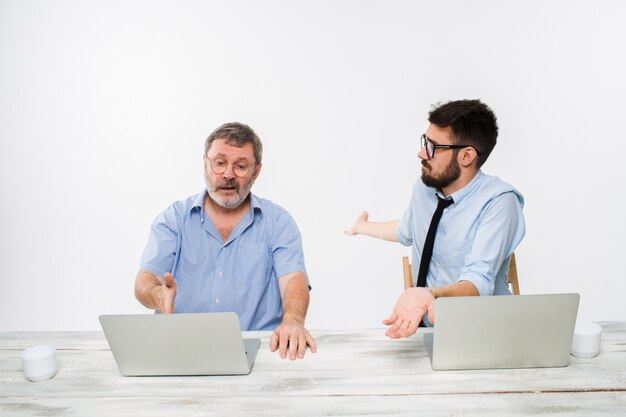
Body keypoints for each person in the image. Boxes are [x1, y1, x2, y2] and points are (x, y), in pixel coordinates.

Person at [135, 122, 316, 360]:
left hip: (259, 354)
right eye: (219, 163)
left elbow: (293, 278)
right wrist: (159, 296)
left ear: (256, 171)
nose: (228, 175)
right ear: (205, 163)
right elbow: (145, 280)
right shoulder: (174, 219)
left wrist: (293, 320)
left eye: (240, 166)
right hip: (180, 352)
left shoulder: (278, 222)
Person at [345, 99, 525, 339]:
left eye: (433, 147)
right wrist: (363, 227)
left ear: (466, 156)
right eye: (424, 142)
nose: (421, 153)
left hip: (484, 333)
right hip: (427, 332)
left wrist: (427, 294)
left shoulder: (499, 202)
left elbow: (477, 283)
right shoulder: (424, 189)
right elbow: (407, 229)